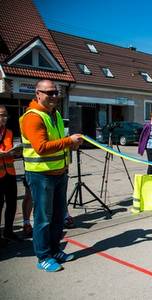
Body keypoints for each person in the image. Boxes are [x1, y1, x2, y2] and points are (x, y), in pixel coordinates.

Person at [20, 80, 83, 272]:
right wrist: (68, 141)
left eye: (56, 93)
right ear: (38, 94)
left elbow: (56, 142)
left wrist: (71, 144)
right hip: (41, 175)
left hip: (59, 173)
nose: (54, 96)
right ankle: (43, 256)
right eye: (49, 93)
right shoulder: (33, 117)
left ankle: (55, 250)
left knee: (57, 217)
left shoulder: (54, 114)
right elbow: (41, 148)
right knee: (43, 218)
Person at [0, 105, 22, 246]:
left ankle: (8, 231)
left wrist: (16, 153)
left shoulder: (9, 132)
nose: (4, 118)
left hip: (10, 173)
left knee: (12, 204)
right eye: (1, 115)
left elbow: (10, 150)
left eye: (6, 115)